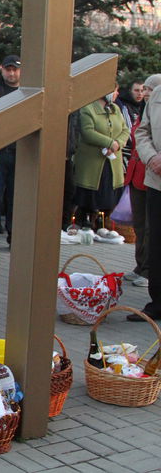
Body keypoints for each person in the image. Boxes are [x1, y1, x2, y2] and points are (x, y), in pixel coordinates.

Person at [72, 88, 129, 230]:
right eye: (115, 90)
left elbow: (125, 130)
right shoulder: (88, 108)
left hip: (112, 159)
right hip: (92, 161)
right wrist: (109, 143)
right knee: (90, 194)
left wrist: (118, 144)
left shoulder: (115, 108)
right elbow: (88, 131)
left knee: (108, 192)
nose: (117, 94)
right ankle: (85, 222)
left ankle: (103, 225)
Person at [124, 74, 161, 289]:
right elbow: (141, 133)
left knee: (150, 229)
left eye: (149, 88)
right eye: (144, 89)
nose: (145, 93)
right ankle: (142, 267)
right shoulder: (148, 107)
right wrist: (152, 157)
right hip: (146, 174)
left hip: (152, 174)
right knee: (141, 225)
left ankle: (148, 270)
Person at [0, 54, 21, 248]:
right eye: (8, 69)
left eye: (15, 69)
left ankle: (14, 237)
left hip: (19, 151)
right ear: (2, 69)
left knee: (16, 197)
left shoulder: (27, 91)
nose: (11, 72)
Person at [134, 83, 161, 321]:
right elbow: (142, 131)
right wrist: (151, 157)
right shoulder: (158, 94)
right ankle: (157, 302)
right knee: (156, 241)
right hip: (157, 179)